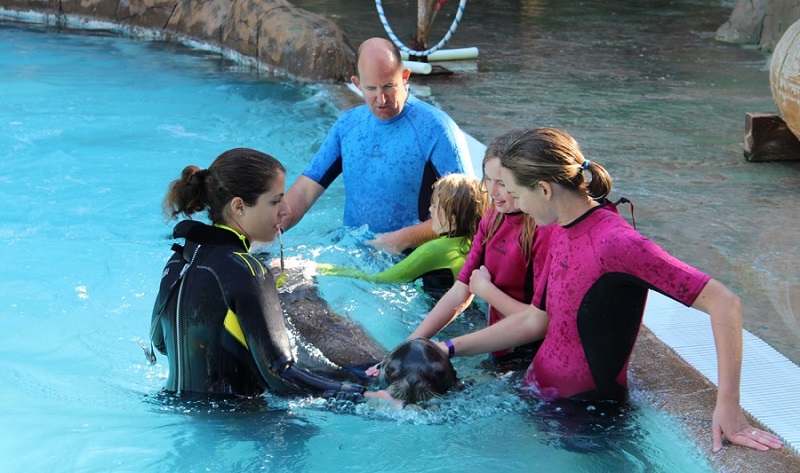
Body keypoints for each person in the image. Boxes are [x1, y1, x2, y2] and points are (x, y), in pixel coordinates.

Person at [436, 127, 784, 453]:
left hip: (585, 418)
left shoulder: (617, 243)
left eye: (515, 193)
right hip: (535, 392)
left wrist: (728, 405)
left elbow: (724, 301)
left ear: (543, 189)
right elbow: (533, 321)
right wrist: (447, 348)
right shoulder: (559, 230)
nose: (514, 203)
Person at [149, 147, 365, 400]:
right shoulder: (248, 270)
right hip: (240, 425)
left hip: (175, 407)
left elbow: (161, 342)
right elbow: (281, 375)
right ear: (239, 206)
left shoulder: (178, 259)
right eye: (275, 201)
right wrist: (362, 395)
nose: (286, 210)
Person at [282, 37, 474, 254]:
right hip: (353, 254)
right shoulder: (348, 126)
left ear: (405, 77)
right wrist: (269, 229)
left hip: (414, 263)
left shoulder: (437, 129)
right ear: (357, 84)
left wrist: (400, 239)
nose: (381, 99)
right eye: (371, 88)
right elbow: (306, 190)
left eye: (389, 86)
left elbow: (467, 212)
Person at [317, 173, 489, 294]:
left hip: (436, 316)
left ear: (451, 220)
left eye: (435, 207)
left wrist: (323, 269)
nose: (430, 209)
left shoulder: (434, 249)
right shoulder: (471, 244)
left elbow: (379, 280)